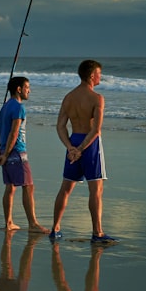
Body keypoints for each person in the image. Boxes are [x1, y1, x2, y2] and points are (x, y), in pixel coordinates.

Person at [49, 59, 116, 243]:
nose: (100, 77)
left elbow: (60, 126)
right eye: (99, 74)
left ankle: (55, 229)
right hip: (89, 145)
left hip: (74, 141)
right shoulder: (97, 98)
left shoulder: (68, 97)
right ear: (92, 75)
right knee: (96, 190)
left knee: (65, 189)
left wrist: (70, 147)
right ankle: (97, 232)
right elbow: (96, 130)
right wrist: (79, 149)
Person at [0, 76, 49, 234]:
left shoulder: (5, 107)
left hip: (4, 150)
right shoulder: (19, 107)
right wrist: (6, 154)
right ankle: (33, 223)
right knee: (28, 186)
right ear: (18, 89)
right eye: (27, 87)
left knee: (10, 187)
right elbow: (14, 132)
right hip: (16, 151)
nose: (29, 90)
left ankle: (9, 222)